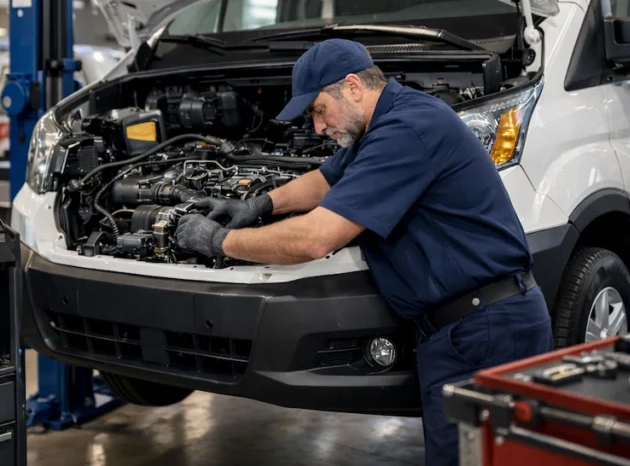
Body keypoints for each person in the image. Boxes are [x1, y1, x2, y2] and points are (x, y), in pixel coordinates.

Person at [172, 38, 553, 465]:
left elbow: (316, 238)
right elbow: (326, 179)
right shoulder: (386, 121)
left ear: (353, 87)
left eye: (318, 110)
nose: (317, 127)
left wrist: (220, 242)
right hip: (460, 330)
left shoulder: (406, 130)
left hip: (486, 333)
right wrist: (260, 204)